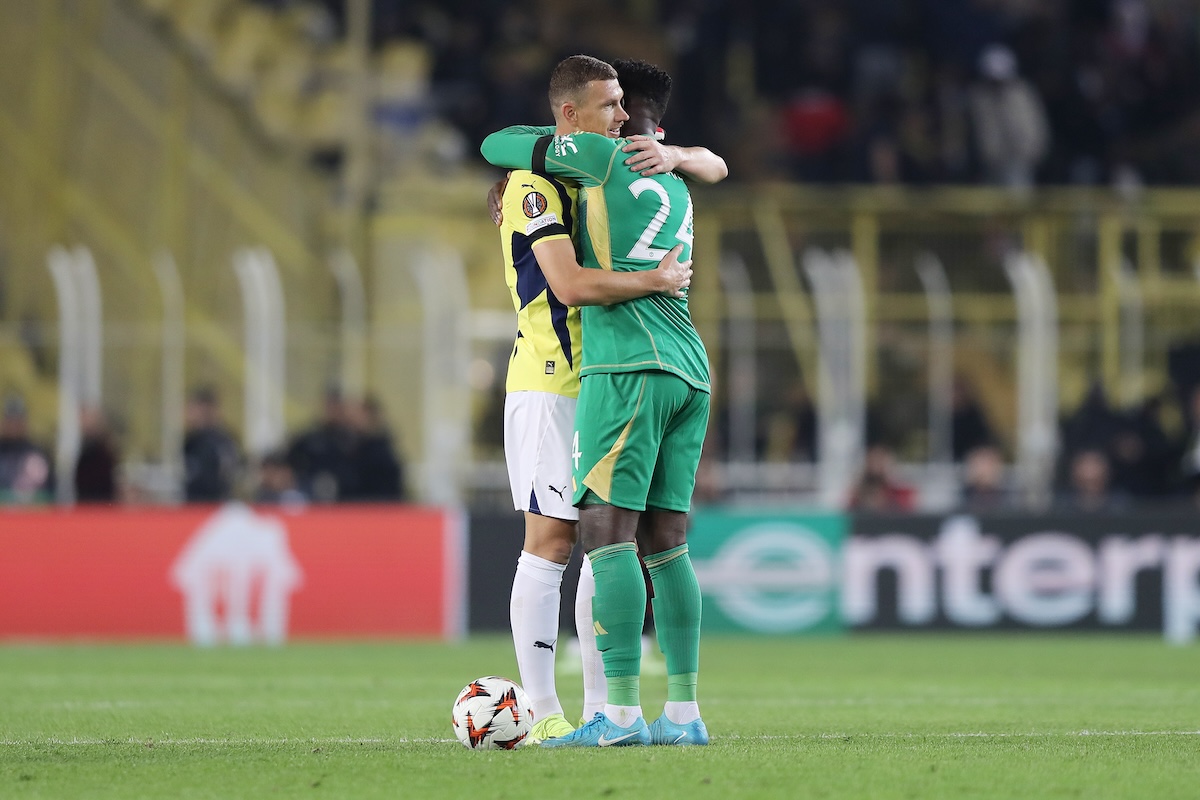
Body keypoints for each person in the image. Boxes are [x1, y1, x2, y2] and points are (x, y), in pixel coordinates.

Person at [482, 56, 726, 748]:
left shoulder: (603, 166)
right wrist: (652, 278)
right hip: (552, 380)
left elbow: (711, 161)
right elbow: (565, 283)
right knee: (556, 541)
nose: (619, 118)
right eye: (607, 106)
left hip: (613, 375)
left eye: (624, 106)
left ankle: (606, 709)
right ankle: (538, 707)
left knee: (604, 541)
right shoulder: (541, 182)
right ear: (572, 118)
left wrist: (673, 153)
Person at [182, 386, 240, 503]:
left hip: (210, 505)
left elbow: (225, 477)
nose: (189, 413)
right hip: (194, 505)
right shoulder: (191, 441)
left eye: (193, 409)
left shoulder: (219, 442)